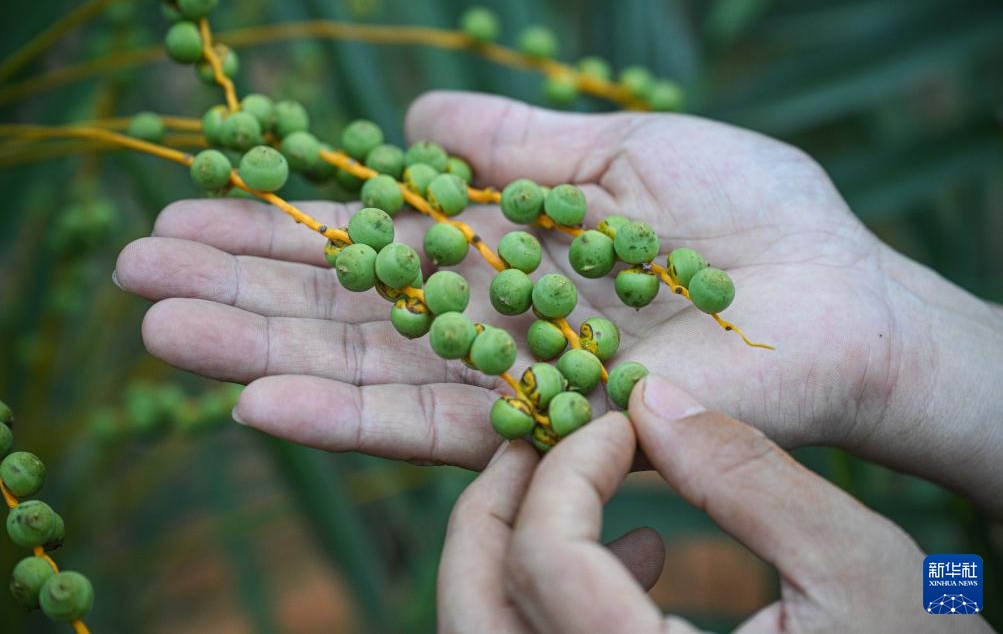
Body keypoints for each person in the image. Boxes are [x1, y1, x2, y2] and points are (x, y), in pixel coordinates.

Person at [115, 91, 1002, 630]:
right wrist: (904, 351)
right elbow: (934, 601)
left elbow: (935, 603)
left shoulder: (944, 592)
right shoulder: (945, 591)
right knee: (952, 578)